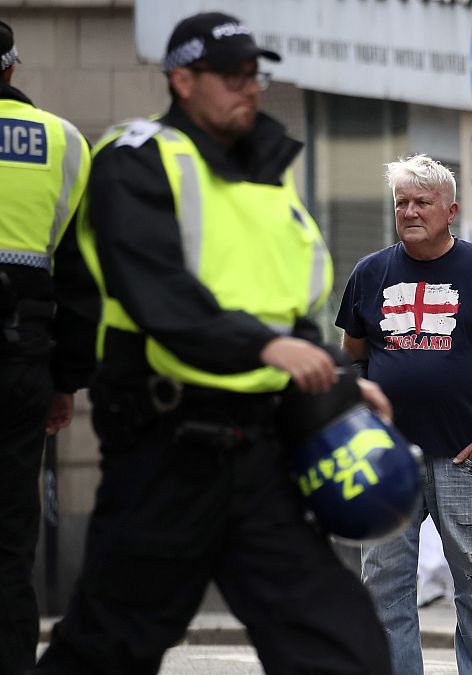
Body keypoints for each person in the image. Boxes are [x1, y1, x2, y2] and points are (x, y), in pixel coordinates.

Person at [35, 12, 393, 674]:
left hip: (259, 452)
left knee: (344, 646)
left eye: (255, 74)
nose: (249, 89)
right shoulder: (136, 158)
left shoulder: (268, 179)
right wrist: (264, 347)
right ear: (183, 79)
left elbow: (292, 313)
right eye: (231, 76)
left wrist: (338, 382)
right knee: (110, 645)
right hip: (165, 447)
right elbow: (159, 293)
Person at [337, 153, 472, 675]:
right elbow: (351, 356)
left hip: (465, 456)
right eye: (402, 203)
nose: (411, 211)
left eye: (423, 202)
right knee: (385, 585)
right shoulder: (370, 272)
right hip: (387, 459)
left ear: (451, 210)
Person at [0, 19, 97, 675]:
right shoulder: (62, 142)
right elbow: (80, 279)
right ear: (11, 69)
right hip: (19, 358)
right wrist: (65, 379)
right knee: (9, 537)